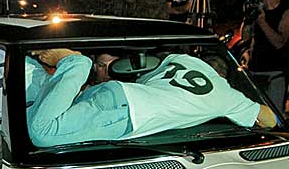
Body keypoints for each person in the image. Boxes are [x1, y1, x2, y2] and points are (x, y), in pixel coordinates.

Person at [27, 49, 276, 148]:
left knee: (37, 112)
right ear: (221, 76)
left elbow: (148, 76)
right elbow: (269, 120)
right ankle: (75, 62)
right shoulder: (225, 94)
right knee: (41, 132)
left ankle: (33, 69)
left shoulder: (184, 59)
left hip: (115, 93)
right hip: (124, 114)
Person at [242, 0, 289, 112]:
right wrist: (248, 19)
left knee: (273, 113)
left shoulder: (287, 11)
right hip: (255, 69)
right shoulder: (258, 10)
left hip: (275, 72)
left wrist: (262, 22)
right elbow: (245, 37)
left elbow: (280, 42)